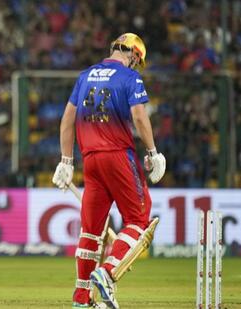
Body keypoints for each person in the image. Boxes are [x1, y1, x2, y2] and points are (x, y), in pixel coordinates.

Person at [52, 33, 166, 309]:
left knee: (91, 231)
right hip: (118, 156)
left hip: (90, 160)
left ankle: (81, 299)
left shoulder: (85, 76)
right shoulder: (130, 78)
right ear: (135, 55)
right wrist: (153, 152)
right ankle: (107, 272)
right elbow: (139, 116)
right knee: (138, 220)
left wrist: (66, 161)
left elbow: (67, 120)